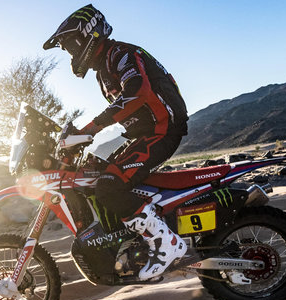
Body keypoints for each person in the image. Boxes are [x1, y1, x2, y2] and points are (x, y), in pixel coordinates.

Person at [43, 4, 189, 280]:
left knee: (110, 185)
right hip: (145, 134)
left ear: (90, 36)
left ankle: (164, 243)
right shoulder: (104, 68)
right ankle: (132, 241)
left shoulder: (121, 54)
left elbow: (137, 92)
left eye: (72, 46)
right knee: (97, 173)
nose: (72, 54)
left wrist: (91, 128)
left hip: (161, 131)